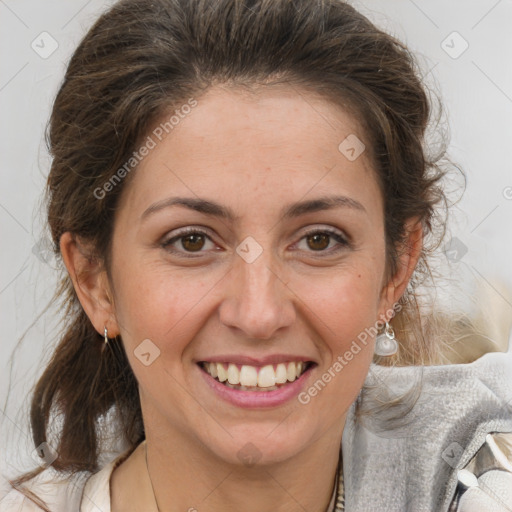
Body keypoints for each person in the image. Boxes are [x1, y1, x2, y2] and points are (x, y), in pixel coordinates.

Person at [2, 0, 512, 510]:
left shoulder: (479, 469)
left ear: (395, 271)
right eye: (192, 241)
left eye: (319, 240)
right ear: (95, 282)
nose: (259, 313)